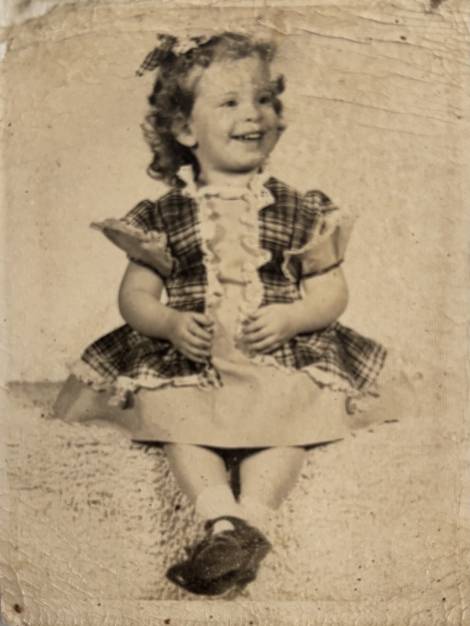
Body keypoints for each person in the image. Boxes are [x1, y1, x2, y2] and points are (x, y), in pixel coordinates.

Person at [54, 32, 390, 596]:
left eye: (263, 99)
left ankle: (252, 518)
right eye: (230, 102)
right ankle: (222, 521)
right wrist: (169, 324)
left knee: (290, 421)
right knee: (176, 419)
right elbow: (135, 296)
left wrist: (294, 317)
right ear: (185, 129)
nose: (252, 113)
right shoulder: (163, 214)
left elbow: (330, 291)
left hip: (275, 353)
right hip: (195, 359)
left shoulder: (300, 208)